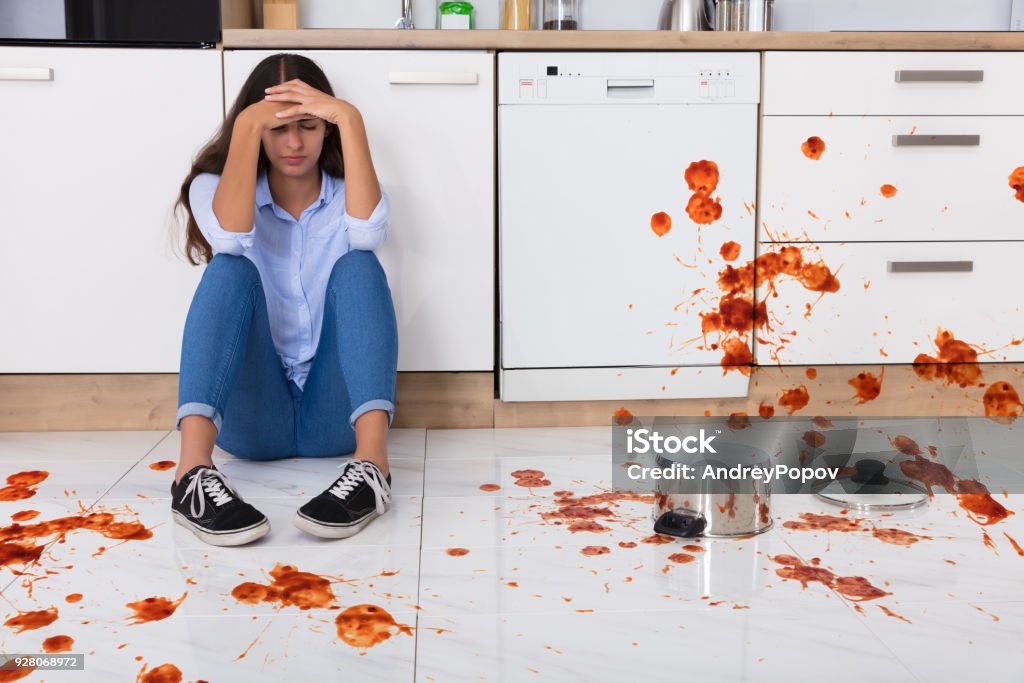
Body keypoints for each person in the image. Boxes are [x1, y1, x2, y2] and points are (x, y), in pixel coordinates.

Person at [170, 53, 398, 547]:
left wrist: (351, 117)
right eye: (277, 128)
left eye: (309, 125)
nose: (294, 143)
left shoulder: (350, 190)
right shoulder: (216, 187)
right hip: (254, 422)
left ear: (327, 129)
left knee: (360, 263)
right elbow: (229, 239)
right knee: (230, 266)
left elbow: (368, 231)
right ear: (254, 131)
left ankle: (373, 467)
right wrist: (249, 124)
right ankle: (190, 477)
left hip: (336, 415)